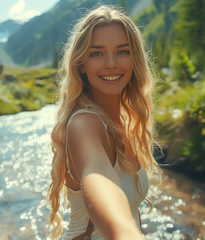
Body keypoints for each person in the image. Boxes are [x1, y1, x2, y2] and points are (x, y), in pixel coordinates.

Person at [46, 5, 160, 239]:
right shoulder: (84, 124)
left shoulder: (123, 121)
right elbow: (97, 179)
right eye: (97, 53)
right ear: (81, 65)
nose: (111, 63)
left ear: (134, 59)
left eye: (123, 51)